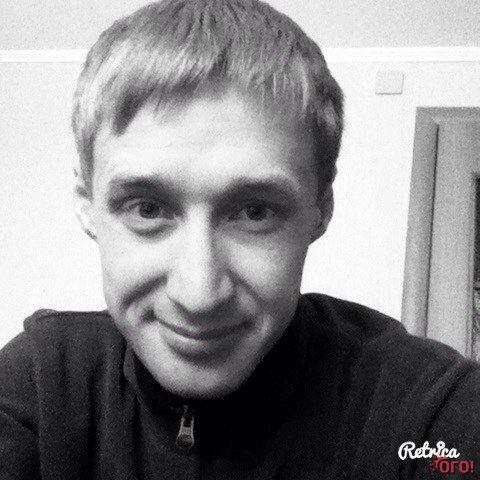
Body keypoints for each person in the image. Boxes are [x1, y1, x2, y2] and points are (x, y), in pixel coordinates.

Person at [1, 0, 479, 478]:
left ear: (320, 210)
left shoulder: (424, 410)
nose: (198, 295)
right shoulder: (40, 387)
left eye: (255, 212)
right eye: (148, 209)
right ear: (87, 204)